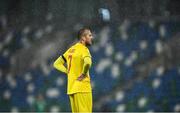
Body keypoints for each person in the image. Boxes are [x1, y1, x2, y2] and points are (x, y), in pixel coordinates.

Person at [53, 27, 93, 112]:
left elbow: (56, 64)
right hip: (82, 88)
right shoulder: (84, 49)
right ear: (83, 38)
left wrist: (67, 71)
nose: (91, 37)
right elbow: (88, 62)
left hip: (71, 89)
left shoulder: (71, 50)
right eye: (89, 35)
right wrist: (84, 73)